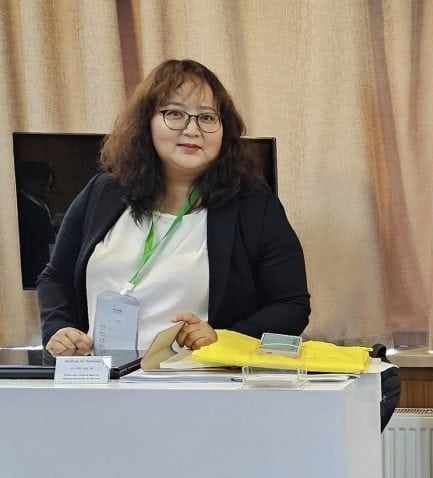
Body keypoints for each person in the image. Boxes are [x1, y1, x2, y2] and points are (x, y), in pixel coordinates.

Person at [37, 59, 309, 356]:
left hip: (198, 384)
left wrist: (224, 337)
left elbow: (292, 306)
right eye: (175, 114)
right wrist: (59, 327)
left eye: (207, 118)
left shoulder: (255, 207)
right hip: (101, 380)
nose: (192, 130)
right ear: (146, 123)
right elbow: (55, 278)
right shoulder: (102, 193)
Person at [16, 160, 57, 289]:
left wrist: (53, 223)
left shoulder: (42, 200)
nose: (46, 189)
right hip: (32, 255)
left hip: (47, 250)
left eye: (49, 186)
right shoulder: (20, 202)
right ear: (29, 181)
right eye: (43, 185)